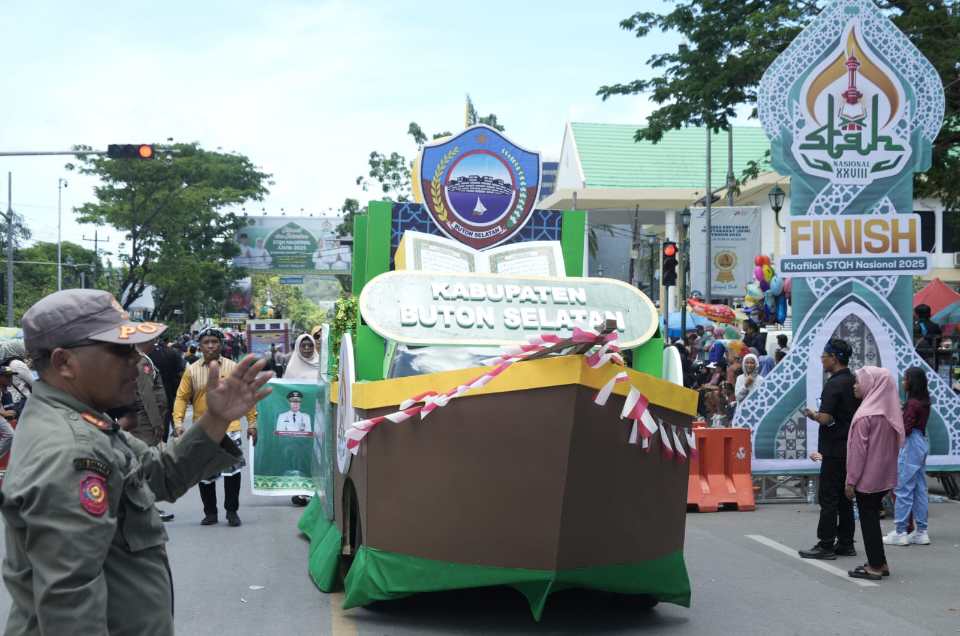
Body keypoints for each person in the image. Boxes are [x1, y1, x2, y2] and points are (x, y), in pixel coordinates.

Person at [1, 289, 272, 634]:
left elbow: (161, 475)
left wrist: (214, 420)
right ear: (64, 362)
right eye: (120, 349)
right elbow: (70, 603)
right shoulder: (71, 449)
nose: (137, 360)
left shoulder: (81, 421)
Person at [173, 328, 259, 527]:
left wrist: (252, 423)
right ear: (199, 346)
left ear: (221, 344)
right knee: (205, 474)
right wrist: (178, 424)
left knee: (232, 472)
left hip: (230, 427)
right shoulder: (191, 370)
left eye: (214, 341)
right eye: (206, 342)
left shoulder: (233, 367)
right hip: (202, 430)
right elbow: (181, 397)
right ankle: (210, 513)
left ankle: (231, 511)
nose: (210, 345)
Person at [799, 339, 861, 560]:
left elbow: (825, 418)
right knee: (846, 498)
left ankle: (825, 544)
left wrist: (812, 414)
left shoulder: (833, 384)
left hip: (834, 449)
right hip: (850, 448)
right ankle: (845, 543)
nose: (822, 359)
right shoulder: (854, 381)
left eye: (824, 355)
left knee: (828, 498)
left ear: (834, 358)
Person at [845, 367, 904, 580]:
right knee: (872, 519)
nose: (855, 385)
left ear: (872, 385)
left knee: (868, 520)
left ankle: (875, 566)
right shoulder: (889, 413)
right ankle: (880, 561)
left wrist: (850, 481)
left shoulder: (865, 416)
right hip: (884, 476)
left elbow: (858, 453)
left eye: (858, 382)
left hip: (866, 478)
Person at [884, 366, 931, 546]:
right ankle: (921, 531)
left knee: (903, 488)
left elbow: (905, 428)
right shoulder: (924, 401)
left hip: (911, 443)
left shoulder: (912, 404)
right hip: (920, 442)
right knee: (919, 488)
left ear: (912, 382)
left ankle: (900, 531)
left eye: (905, 379)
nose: (903, 382)